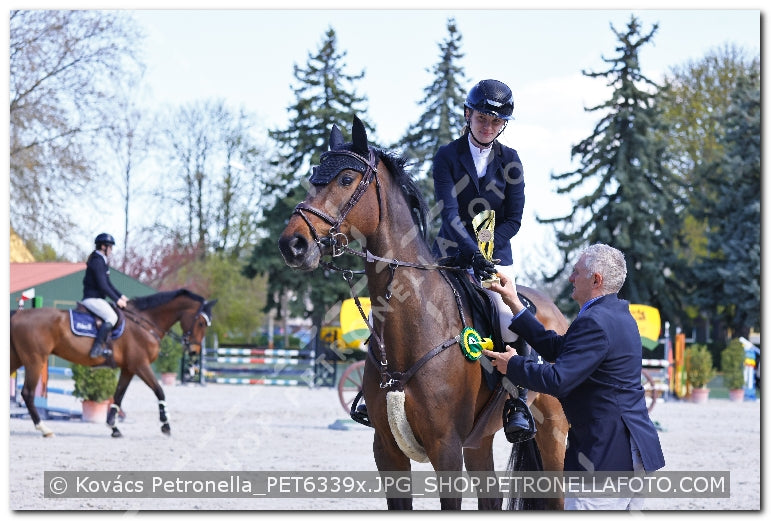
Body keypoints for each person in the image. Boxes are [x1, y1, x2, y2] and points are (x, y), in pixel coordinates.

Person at [482, 243, 665, 510]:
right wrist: (514, 303)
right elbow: (558, 348)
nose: (571, 278)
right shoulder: (617, 315)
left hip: (603, 460)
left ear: (596, 279)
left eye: (576, 272)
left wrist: (514, 366)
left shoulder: (594, 321)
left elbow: (559, 380)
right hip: (634, 452)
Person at [431, 78, 533, 439]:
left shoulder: (512, 161)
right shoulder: (446, 156)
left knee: (510, 317)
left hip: (496, 257)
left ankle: (516, 401)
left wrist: (488, 251)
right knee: (402, 298)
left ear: (503, 124)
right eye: (481, 119)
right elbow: (448, 213)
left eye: (495, 122)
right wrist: (473, 253)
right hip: (449, 254)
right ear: (468, 114)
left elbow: (514, 219)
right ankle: (376, 386)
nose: (487, 127)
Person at [82, 233, 129, 359]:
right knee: (112, 317)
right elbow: (103, 286)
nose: (111, 250)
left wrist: (121, 296)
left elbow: (108, 284)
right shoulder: (97, 261)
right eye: (110, 247)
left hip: (97, 298)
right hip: (92, 298)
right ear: (103, 246)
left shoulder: (101, 261)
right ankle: (97, 348)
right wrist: (116, 300)